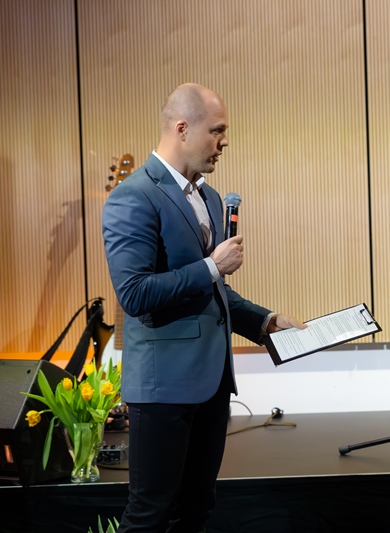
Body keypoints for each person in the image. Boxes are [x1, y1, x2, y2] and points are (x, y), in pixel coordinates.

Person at [102, 83, 306, 532]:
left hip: (211, 385)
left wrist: (265, 321)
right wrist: (213, 266)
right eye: (216, 130)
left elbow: (213, 292)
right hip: (163, 388)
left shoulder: (209, 197)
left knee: (196, 510)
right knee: (150, 514)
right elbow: (134, 294)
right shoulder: (133, 196)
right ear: (182, 128)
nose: (224, 141)